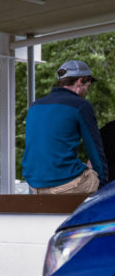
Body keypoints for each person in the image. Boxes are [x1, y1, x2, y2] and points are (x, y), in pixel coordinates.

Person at [21, 60, 108, 194]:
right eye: (88, 86)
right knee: (106, 183)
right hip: (65, 183)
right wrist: (102, 184)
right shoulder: (80, 105)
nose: (87, 91)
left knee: (84, 168)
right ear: (80, 81)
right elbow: (95, 149)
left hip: (34, 184)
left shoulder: (35, 106)